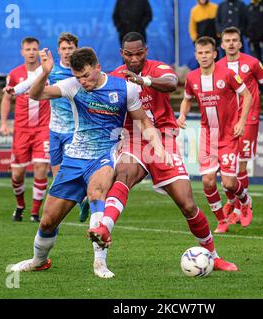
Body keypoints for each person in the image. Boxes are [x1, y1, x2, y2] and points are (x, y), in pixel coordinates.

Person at [8, 47, 168, 278]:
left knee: (96, 193)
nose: (82, 81)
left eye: (85, 75)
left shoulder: (125, 88)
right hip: (74, 159)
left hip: (105, 155)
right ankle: (39, 260)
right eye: (78, 76)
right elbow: (36, 95)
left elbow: (143, 121)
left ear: (98, 67)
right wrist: (45, 71)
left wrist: (158, 146)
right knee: (47, 221)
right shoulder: (73, 85)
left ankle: (100, 263)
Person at [88, 32, 238, 273]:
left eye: (138, 53)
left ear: (145, 51)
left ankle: (213, 256)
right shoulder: (115, 77)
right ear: (121, 54)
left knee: (187, 204)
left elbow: (171, 83)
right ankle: (104, 227)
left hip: (164, 139)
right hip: (133, 138)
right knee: (124, 173)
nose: (134, 58)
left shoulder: (157, 68)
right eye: (129, 54)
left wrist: (143, 81)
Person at [5, 33, 90, 223]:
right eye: (64, 48)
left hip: (74, 130)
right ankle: (78, 201)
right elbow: (32, 80)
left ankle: (79, 200)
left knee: (69, 170)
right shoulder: (51, 68)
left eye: (70, 48)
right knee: (58, 176)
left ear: (76, 49)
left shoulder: (81, 71)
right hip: (54, 130)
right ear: (58, 50)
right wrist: (16, 90)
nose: (67, 52)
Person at [177, 36, 253, 234]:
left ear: (214, 54)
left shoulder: (227, 74)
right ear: (195, 55)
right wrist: (183, 115)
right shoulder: (192, 78)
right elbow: (186, 100)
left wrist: (242, 121)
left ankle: (245, 200)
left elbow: (247, 95)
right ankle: (222, 221)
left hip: (228, 135)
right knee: (208, 181)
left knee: (228, 182)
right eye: (200, 53)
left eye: (207, 53)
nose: (204, 56)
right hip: (207, 137)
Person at [217, 26, 263, 228]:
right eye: (227, 40)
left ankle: (240, 208)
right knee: (226, 169)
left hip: (249, 119)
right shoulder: (219, 66)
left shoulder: (252, 63)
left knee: (241, 165)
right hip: (227, 122)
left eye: (234, 40)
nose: (231, 43)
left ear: (240, 43)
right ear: (222, 44)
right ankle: (235, 203)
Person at [0, 37, 50, 223]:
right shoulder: (14, 74)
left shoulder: (46, 72)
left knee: (40, 168)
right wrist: (4, 123)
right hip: (21, 129)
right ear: (22, 51)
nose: (31, 52)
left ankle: (35, 213)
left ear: (38, 51)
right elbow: (7, 98)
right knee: (17, 174)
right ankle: (20, 205)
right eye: (27, 49)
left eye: (34, 49)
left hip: (43, 128)